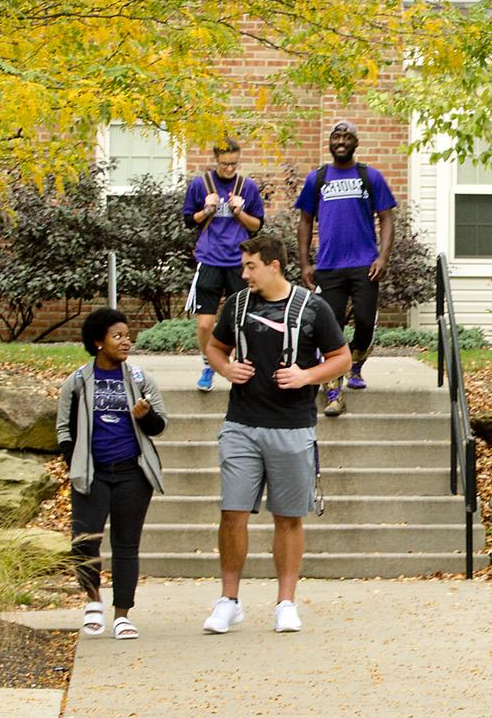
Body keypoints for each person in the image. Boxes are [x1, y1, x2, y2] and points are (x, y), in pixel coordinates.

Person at [202, 233, 351, 634]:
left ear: (273, 266)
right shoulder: (236, 305)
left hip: (292, 426)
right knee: (232, 512)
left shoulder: (311, 307)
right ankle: (228, 601)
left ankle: (286, 602)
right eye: (242, 266)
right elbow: (214, 348)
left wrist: (307, 375)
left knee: (288, 517)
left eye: (250, 266)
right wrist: (225, 368)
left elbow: (342, 358)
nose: (243, 273)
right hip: (242, 425)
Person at [57, 308, 169, 641]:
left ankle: (122, 614)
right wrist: (73, 462)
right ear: (98, 341)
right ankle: (93, 602)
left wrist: (144, 416)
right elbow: (64, 430)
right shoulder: (77, 382)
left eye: (127, 335)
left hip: (132, 474)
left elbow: (160, 425)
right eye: (117, 336)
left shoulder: (140, 379)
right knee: (84, 542)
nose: (126, 341)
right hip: (92, 474)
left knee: (126, 544)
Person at [295, 119, 395, 417]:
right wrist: (304, 263)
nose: (340, 141)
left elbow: (387, 218)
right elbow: (304, 221)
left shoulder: (370, 176)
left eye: (346, 137)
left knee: (365, 322)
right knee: (330, 329)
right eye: (335, 137)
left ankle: (356, 363)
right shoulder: (318, 179)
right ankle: (334, 393)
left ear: (356, 143)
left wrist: (383, 257)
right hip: (328, 267)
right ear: (330, 142)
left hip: (365, 264)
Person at [182, 136, 265, 391]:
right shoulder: (201, 184)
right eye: (225, 164)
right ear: (216, 160)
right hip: (209, 258)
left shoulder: (246, 186)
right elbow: (188, 221)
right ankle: (208, 364)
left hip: (237, 262)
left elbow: (257, 226)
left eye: (234, 164)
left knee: (241, 318)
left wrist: (239, 211)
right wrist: (207, 210)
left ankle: (241, 364)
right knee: (206, 322)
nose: (230, 169)